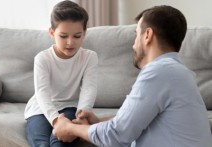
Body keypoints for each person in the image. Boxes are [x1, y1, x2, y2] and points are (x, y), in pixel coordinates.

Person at [52, 5, 212, 147]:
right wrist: (99, 121)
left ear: (147, 35)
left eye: (136, 34)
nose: (133, 44)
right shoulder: (178, 72)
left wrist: (70, 128)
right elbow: (142, 118)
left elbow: (116, 136)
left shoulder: (159, 72)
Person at [24, 1, 98, 147]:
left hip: (70, 107)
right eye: (63, 36)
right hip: (40, 109)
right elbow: (42, 92)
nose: (70, 42)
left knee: (60, 143)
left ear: (84, 33)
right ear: (52, 33)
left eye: (77, 36)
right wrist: (56, 119)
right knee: (42, 144)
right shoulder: (42, 58)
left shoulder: (90, 57)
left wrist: (82, 114)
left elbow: (89, 88)